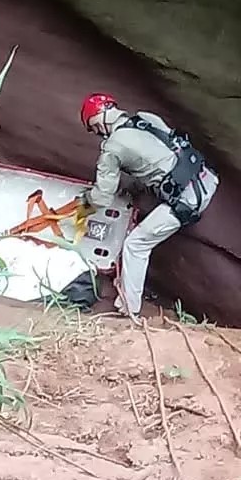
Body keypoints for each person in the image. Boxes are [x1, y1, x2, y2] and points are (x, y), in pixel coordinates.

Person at [79, 93, 218, 319]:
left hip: (187, 201)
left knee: (136, 245)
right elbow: (158, 158)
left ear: (96, 121)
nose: (96, 134)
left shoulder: (112, 147)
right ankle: (129, 298)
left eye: (92, 129)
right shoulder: (146, 119)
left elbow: (102, 196)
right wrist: (132, 189)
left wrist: (84, 202)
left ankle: (129, 307)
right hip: (206, 178)